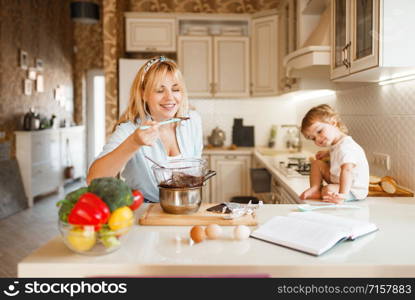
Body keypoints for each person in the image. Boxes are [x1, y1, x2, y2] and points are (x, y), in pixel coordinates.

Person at [87, 56, 203, 203]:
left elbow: (195, 171)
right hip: (144, 212)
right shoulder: (129, 130)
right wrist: (133, 143)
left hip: (187, 207)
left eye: (176, 89)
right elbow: (93, 179)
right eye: (160, 90)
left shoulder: (193, 121)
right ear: (144, 94)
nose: (170, 97)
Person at [299, 104, 369, 203]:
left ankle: (326, 193)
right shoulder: (338, 144)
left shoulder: (347, 147)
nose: (318, 139)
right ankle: (315, 188)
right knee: (316, 163)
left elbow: (347, 170)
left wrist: (342, 195)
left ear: (333, 123)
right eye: (313, 138)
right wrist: (327, 153)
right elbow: (337, 151)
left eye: (319, 131)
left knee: (328, 190)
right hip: (338, 180)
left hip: (352, 189)